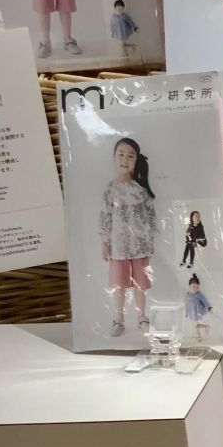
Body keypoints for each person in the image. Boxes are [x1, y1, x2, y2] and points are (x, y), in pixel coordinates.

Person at [99, 136, 155, 337]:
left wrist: (149, 240)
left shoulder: (141, 191)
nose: (125, 159)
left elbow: (151, 217)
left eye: (130, 156)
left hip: (140, 247)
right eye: (121, 154)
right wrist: (105, 243)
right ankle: (118, 320)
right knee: (118, 286)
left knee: (141, 285)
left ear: (136, 161)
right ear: (114, 157)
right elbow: (105, 218)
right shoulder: (110, 189)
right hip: (118, 248)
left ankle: (142, 317)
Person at [185, 274, 212, 341]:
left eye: (197, 287)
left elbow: (205, 300)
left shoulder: (199, 294)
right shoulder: (188, 295)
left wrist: (209, 307)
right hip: (193, 312)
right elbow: (187, 304)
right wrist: (187, 312)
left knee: (196, 326)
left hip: (199, 312)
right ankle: (205, 328)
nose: (195, 289)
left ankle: (199, 337)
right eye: (193, 287)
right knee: (196, 326)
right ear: (189, 286)